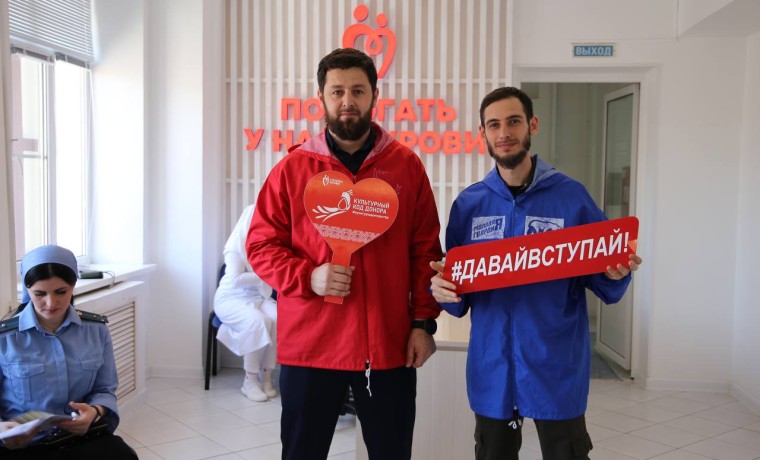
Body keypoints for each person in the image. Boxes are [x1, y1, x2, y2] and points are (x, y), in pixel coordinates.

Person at [246, 48, 443, 460]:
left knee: (391, 452)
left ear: (374, 95)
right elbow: (261, 247)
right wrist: (308, 276)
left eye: (357, 90)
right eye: (337, 91)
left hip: (388, 345)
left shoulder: (406, 166)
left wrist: (423, 323)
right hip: (311, 346)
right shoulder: (292, 170)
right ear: (321, 97)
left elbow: (425, 251)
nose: (347, 101)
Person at [430, 87, 643, 460]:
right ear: (482, 133)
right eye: (494, 125)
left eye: (513, 121)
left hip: (555, 365)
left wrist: (616, 273)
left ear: (533, 124)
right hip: (493, 367)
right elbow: (458, 296)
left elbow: (604, 284)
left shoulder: (572, 197)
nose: (504, 133)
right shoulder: (469, 205)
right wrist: (442, 289)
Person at [0, 245, 137, 459]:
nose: (50, 303)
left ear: (73, 286)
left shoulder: (96, 330)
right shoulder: (5, 338)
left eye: (61, 292)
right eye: (39, 294)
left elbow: (104, 389)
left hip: (80, 437)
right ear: (27, 290)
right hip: (24, 446)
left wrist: (95, 411)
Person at [213, 204, 278, 402]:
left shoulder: (268, 244)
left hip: (259, 296)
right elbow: (235, 279)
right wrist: (266, 274)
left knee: (279, 319)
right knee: (258, 322)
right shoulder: (235, 246)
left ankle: (266, 375)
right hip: (231, 298)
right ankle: (249, 380)